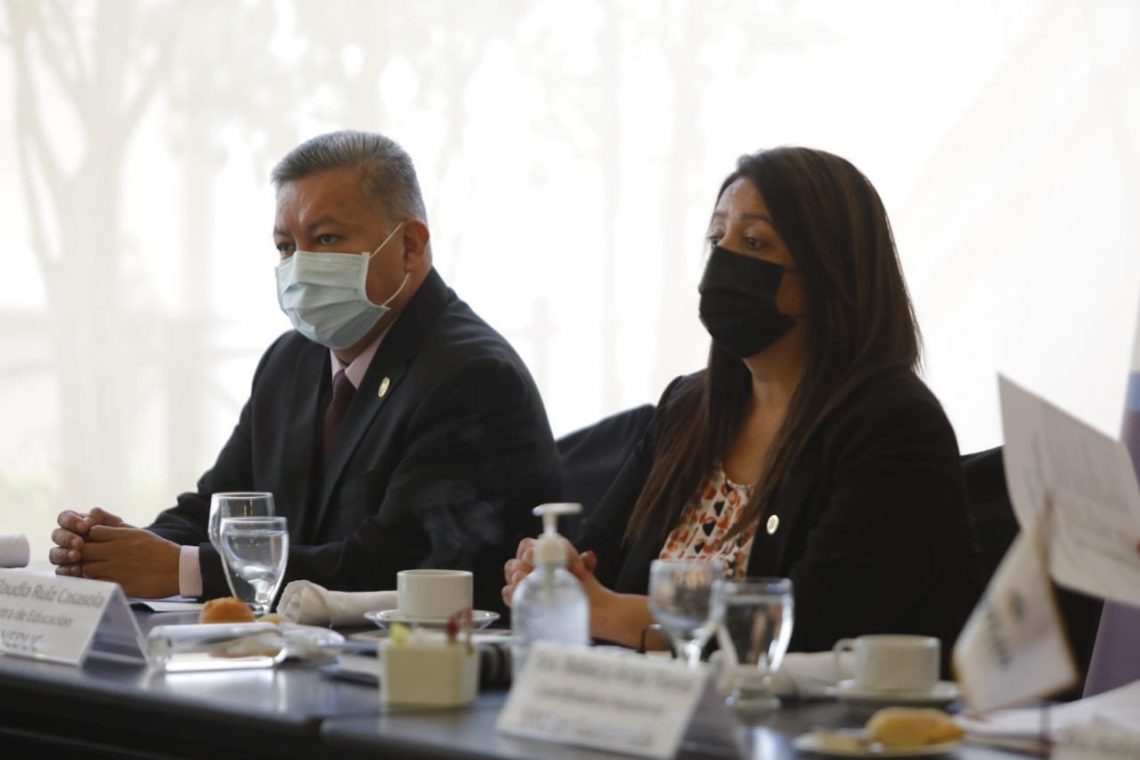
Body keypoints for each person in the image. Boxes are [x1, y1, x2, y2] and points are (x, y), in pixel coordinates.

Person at [50, 130, 560, 614]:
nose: (300, 266)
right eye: (286, 247)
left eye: (327, 238)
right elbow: (218, 510)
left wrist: (180, 569)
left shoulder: (473, 378)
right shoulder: (290, 361)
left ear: (409, 245)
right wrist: (120, 548)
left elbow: (391, 567)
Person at [503, 147, 979, 657]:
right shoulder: (687, 408)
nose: (723, 260)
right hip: (643, 700)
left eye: (754, 242)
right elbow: (602, 565)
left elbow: (811, 625)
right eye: (717, 239)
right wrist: (555, 574)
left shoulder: (896, 427)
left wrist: (601, 610)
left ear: (829, 271)